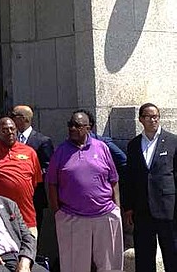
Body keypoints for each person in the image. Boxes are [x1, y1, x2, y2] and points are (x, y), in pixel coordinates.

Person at [46, 110, 123, 272]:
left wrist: (117, 207)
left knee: (110, 266)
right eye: (70, 125)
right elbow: (51, 183)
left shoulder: (102, 148)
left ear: (89, 128)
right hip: (73, 217)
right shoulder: (61, 151)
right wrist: (57, 212)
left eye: (78, 125)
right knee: (75, 267)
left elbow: (113, 179)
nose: (73, 128)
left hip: (105, 215)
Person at [124, 103, 177, 271]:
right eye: (149, 117)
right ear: (141, 119)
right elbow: (129, 178)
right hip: (142, 209)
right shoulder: (133, 145)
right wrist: (128, 207)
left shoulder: (172, 141)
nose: (154, 120)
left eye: (156, 116)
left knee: (172, 253)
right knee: (144, 255)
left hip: (168, 208)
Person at [0, 116, 42, 237]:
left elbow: (34, 182)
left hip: (26, 217)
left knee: (28, 253)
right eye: (5, 130)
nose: (10, 132)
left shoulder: (30, 152)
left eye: (12, 129)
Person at [11, 105, 54, 235]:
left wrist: (29, 175)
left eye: (13, 116)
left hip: (34, 196)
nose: (10, 119)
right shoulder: (9, 140)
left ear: (23, 119)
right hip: (13, 197)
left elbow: (48, 167)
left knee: (32, 234)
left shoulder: (42, 141)